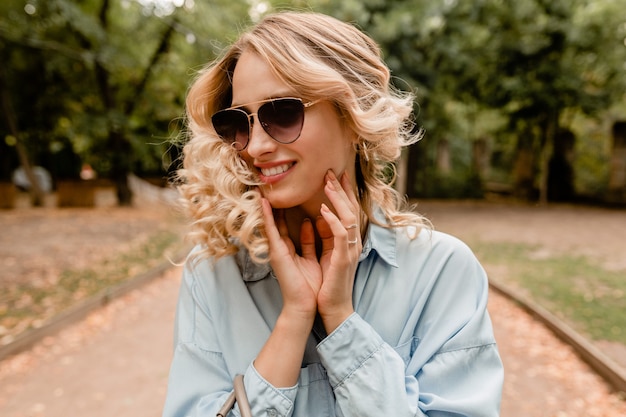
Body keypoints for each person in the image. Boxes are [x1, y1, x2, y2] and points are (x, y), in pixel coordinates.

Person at [163, 11, 503, 417]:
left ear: (353, 115)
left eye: (282, 113)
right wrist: (293, 320)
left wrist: (341, 321)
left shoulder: (442, 272)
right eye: (238, 123)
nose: (255, 147)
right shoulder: (214, 275)